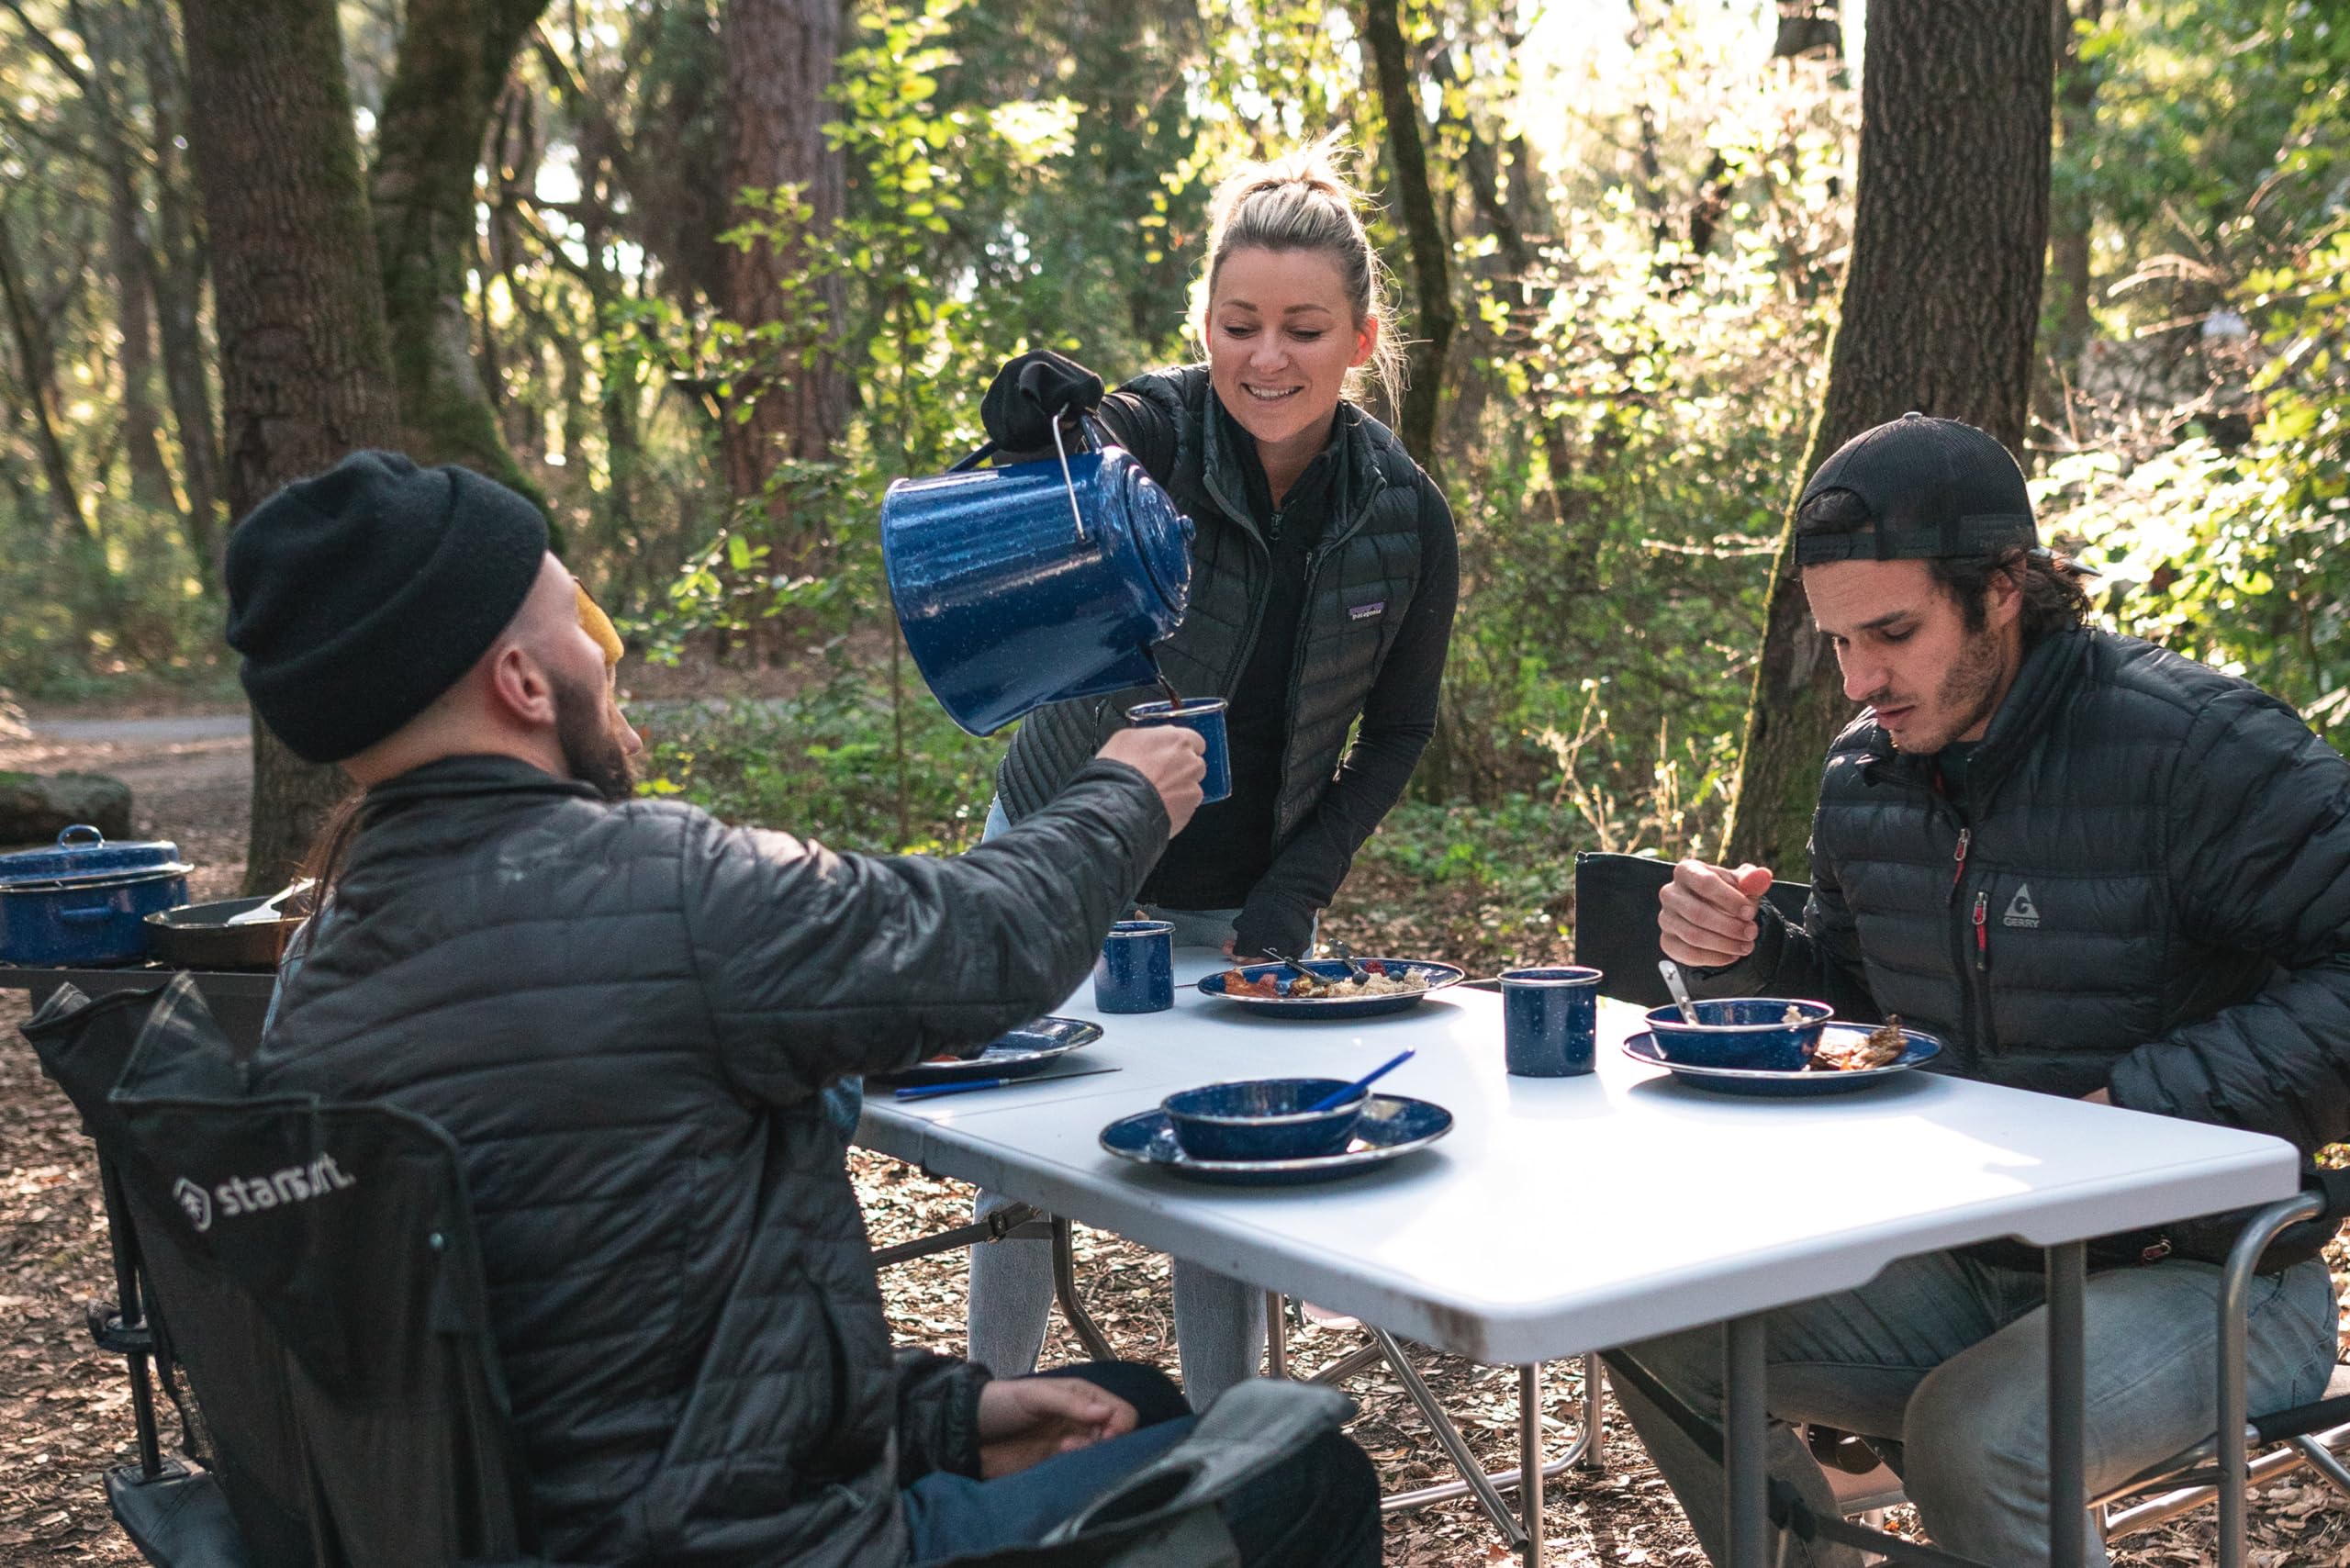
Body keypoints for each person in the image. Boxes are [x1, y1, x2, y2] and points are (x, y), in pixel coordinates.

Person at [225, 451, 1382, 1568]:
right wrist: (1128, 793)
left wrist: (940, 1420)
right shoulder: (652, 890)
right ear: (522, 684)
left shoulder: (319, 971)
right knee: (1306, 1474)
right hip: (767, 1544)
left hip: (589, 1518)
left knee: (1124, 1402)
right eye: (583, 624)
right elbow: (991, 941)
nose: (606, 652)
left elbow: (606, 1348)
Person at [1617, 412, 2350, 1566]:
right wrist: (1750, 959)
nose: (1861, 681)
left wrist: (2140, 1102)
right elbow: (1864, 1009)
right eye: (1838, 642)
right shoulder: (1865, 775)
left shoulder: (2194, 747)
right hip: (1969, 1259)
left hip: (2215, 1271)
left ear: (2005, 585)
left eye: (1893, 634)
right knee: (1647, 1312)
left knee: (1972, 1438)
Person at [966, 137, 1460, 1410]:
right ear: (1206, 322)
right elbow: (1052, 462)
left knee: (1225, 1149)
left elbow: (1397, 733)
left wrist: (1294, 890)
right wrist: (1028, 421)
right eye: (1238, 323)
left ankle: (1234, 1448)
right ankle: (984, 1419)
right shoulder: (1150, 433)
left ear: (1357, 338)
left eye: (1303, 327)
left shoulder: (1405, 512)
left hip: (1239, 891)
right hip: (1062, 845)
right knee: (1016, 1158)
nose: (1267, 356)